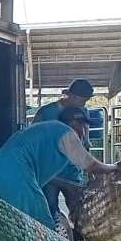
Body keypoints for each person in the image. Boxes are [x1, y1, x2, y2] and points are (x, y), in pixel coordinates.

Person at [0, 106, 121, 229]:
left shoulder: (49, 130)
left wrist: (69, 186)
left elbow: (46, 176)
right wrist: (115, 167)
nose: (85, 132)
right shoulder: (67, 133)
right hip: (16, 175)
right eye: (85, 126)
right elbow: (92, 166)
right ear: (75, 123)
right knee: (42, 227)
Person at [31, 78, 105, 218]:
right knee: (50, 208)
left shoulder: (83, 112)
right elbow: (34, 139)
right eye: (80, 100)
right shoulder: (46, 112)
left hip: (73, 170)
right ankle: (52, 229)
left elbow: (84, 141)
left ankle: (79, 231)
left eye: (85, 101)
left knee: (78, 207)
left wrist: (88, 167)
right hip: (51, 171)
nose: (83, 104)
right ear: (69, 95)